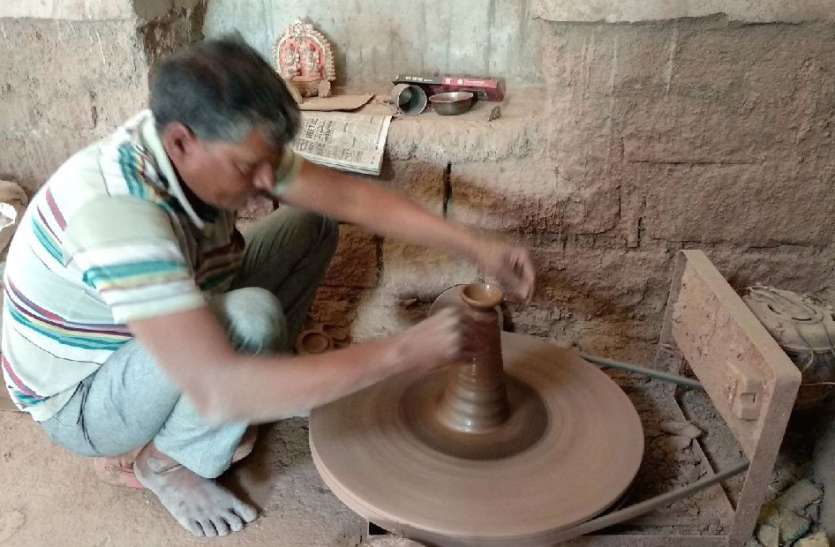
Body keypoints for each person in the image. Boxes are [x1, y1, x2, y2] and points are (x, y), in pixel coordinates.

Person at [1, 36, 535, 537]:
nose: (264, 182)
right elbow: (219, 384)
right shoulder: (121, 214)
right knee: (250, 319)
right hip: (82, 395)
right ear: (181, 142)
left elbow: (349, 200)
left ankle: (259, 382)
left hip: (148, 326)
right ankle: (165, 463)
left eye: (267, 165)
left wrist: (474, 243)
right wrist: (405, 353)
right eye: (248, 168)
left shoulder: (209, 141)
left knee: (312, 223)